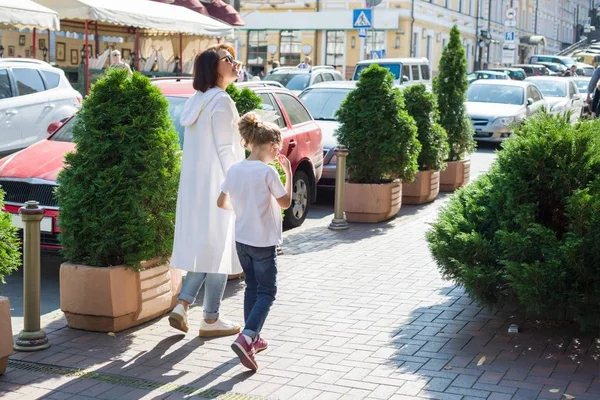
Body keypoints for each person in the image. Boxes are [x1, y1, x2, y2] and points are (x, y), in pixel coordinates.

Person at [169, 43, 245, 338]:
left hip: (196, 189)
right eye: (228, 59)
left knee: (208, 249)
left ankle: (184, 305)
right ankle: (210, 319)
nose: (235, 62)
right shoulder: (221, 101)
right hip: (219, 187)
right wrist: (237, 184)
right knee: (219, 251)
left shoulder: (197, 101)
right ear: (215, 69)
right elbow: (226, 150)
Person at [217, 112, 293, 371]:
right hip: (263, 242)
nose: (277, 154)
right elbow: (285, 203)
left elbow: (221, 202)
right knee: (267, 292)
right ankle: (248, 336)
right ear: (272, 147)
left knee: (251, 286)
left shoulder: (236, 169)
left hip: (242, 240)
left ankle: (253, 337)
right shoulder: (268, 171)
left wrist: (242, 209)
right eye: (277, 150)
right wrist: (289, 173)